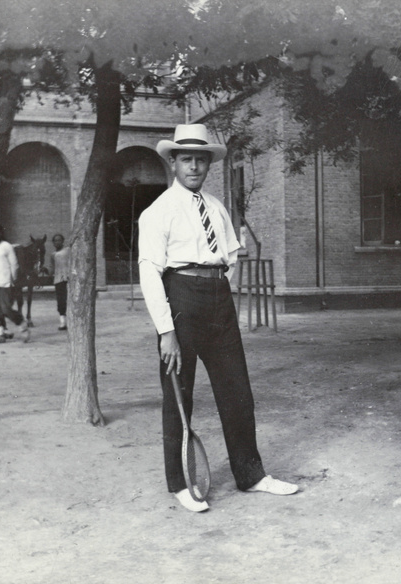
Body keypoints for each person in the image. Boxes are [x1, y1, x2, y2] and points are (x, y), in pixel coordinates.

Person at [138, 123, 298, 512]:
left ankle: (251, 474)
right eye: (186, 159)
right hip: (180, 299)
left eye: (200, 160)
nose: (194, 167)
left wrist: (220, 297)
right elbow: (148, 272)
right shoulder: (158, 211)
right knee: (180, 396)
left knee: (237, 392)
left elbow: (229, 259)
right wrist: (166, 331)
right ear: (173, 162)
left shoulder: (217, 207)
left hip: (218, 300)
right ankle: (182, 484)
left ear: (209, 164)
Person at [0, 223, 29, 344]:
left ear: (1, 233)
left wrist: (13, 280)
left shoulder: (7, 246)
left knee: (6, 309)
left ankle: (22, 325)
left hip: (5, 284)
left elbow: (14, 265)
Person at [49, 233, 70, 331]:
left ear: (63, 241)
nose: (57, 242)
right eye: (55, 240)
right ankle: (63, 322)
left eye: (59, 240)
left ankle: (74, 321)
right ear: (53, 243)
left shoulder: (68, 251)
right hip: (58, 280)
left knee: (70, 300)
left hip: (69, 279)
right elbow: (52, 269)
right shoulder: (53, 255)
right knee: (61, 301)